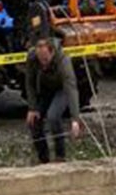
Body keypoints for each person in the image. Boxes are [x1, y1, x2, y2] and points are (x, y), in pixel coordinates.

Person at [23, 33, 82, 164]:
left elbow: (71, 89)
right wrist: (32, 107)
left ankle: (60, 156)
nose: (43, 64)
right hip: (44, 89)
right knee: (33, 121)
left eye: (45, 60)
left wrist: (75, 119)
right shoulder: (32, 58)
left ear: (52, 52)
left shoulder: (63, 61)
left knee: (53, 117)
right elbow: (29, 82)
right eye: (40, 60)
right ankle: (43, 158)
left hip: (61, 90)